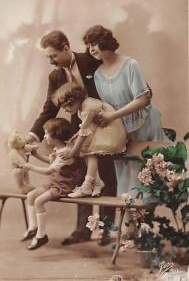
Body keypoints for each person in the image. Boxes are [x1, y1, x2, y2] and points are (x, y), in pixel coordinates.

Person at [26, 30, 117, 245]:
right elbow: (49, 109)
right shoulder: (56, 76)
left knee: (106, 176)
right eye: (48, 57)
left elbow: (112, 89)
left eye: (53, 56)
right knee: (81, 177)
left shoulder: (91, 60)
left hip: (104, 124)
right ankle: (83, 231)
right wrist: (33, 135)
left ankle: (105, 230)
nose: (51, 61)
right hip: (80, 131)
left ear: (66, 48)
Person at [83, 25, 172, 195]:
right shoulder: (98, 75)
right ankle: (129, 221)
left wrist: (112, 115)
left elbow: (143, 99)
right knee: (126, 177)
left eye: (94, 43)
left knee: (148, 175)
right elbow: (107, 106)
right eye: (88, 45)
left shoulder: (130, 64)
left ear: (105, 42)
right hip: (120, 128)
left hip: (145, 123)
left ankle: (145, 219)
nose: (91, 49)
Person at [53, 83, 127, 198]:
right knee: (83, 147)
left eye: (67, 106)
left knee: (89, 151)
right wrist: (74, 141)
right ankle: (97, 182)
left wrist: (72, 152)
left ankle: (87, 185)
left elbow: (84, 133)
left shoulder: (88, 107)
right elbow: (86, 129)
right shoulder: (81, 108)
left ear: (74, 100)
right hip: (100, 129)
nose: (66, 110)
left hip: (111, 131)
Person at [22, 118, 85, 250]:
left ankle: (41, 235)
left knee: (39, 201)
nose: (44, 136)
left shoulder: (65, 153)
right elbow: (52, 163)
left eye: (46, 133)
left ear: (56, 135)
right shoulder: (58, 150)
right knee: (31, 195)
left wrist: (30, 166)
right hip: (54, 184)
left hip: (64, 186)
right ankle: (33, 228)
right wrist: (36, 155)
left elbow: (49, 170)